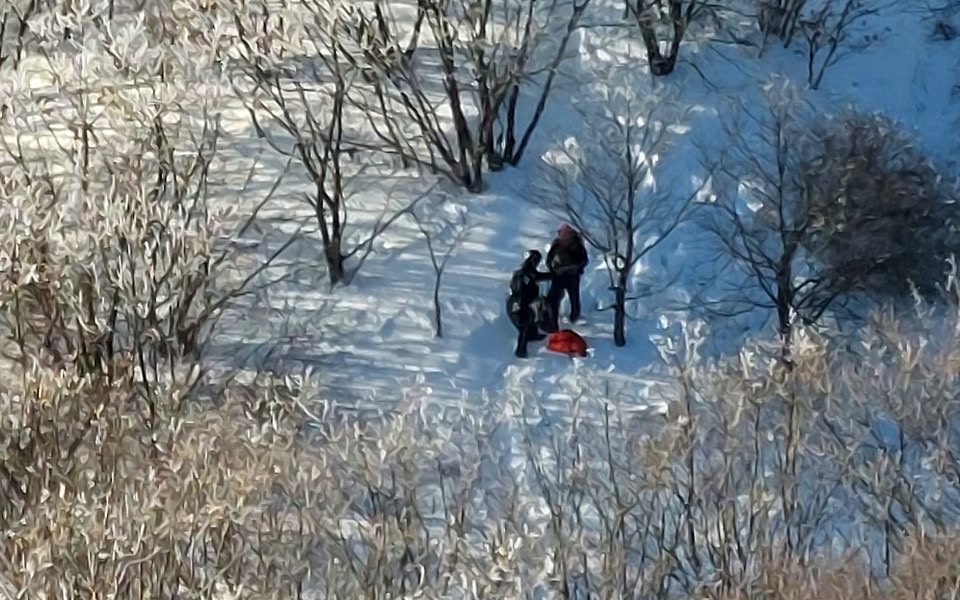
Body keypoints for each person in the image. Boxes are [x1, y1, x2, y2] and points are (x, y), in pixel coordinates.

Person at [506, 250, 552, 358]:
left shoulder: (525, 272)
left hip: (519, 303)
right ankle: (521, 350)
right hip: (518, 304)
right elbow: (525, 288)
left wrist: (553, 275)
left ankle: (533, 334)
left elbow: (537, 276)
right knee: (524, 325)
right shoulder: (524, 274)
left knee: (531, 319)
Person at [545, 223, 589, 330]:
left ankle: (574, 318)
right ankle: (552, 322)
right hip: (558, 276)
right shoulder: (557, 244)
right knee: (553, 300)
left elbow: (584, 260)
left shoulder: (577, 244)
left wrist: (576, 268)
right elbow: (549, 260)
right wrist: (553, 271)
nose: (563, 236)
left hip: (572, 277)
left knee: (574, 298)